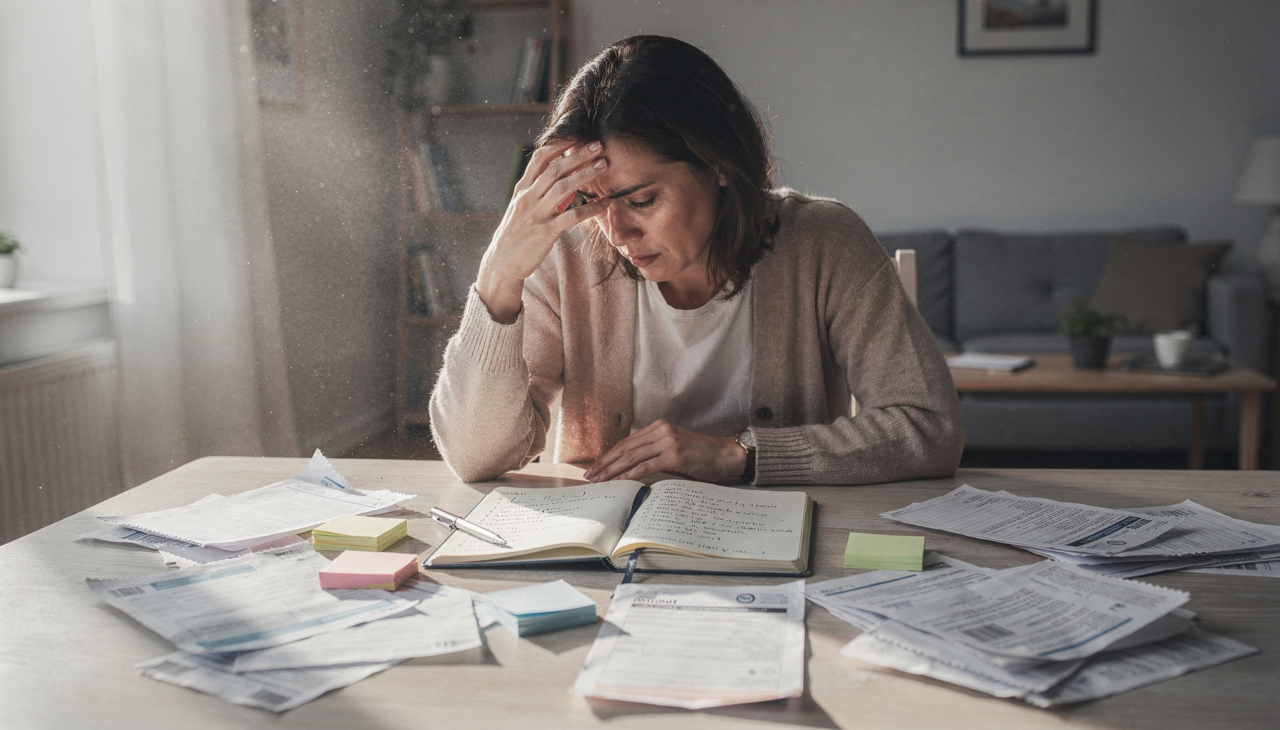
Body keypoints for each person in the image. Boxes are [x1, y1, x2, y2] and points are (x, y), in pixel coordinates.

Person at [429, 35, 963, 486]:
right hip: (611, 561)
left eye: (642, 201)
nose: (616, 233)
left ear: (720, 165)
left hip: (776, 548)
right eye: (593, 202)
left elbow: (928, 425)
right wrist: (498, 276)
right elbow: (476, 458)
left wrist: (741, 455)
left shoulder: (823, 242)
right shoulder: (568, 254)